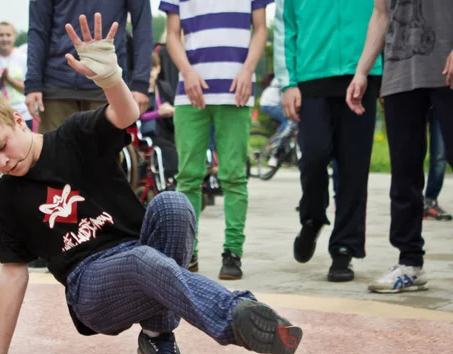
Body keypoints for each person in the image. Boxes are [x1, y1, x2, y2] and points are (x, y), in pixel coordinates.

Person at [0, 14, 303, 354]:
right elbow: (13, 272)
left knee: (174, 205)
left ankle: (158, 338)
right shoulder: (5, 195)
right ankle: (235, 316)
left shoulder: (73, 135)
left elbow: (126, 114)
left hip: (138, 250)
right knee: (142, 260)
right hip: (91, 288)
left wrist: (111, 79)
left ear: (18, 120)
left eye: (0, 147)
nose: (1, 162)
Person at [347, 0, 453, 293]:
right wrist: (361, 72)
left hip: (447, 69)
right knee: (405, 173)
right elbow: (381, 14)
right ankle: (410, 264)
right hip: (400, 74)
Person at [161, 0, 271, 279]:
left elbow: (260, 28)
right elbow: (172, 34)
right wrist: (186, 72)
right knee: (188, 177)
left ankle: (232, 252)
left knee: (234, 176)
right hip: (190, 92)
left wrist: (248, 69)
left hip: (236, 90)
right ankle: (188, 251)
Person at [273, 0, 381, 283]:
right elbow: (286, 26)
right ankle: (312, 218)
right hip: (312, 76)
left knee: (353, 168)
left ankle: (344, 248)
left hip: (363, 72)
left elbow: (387, 15)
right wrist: (287, 82)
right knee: (314, 156)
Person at [25, 0, 153, 132]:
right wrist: (32, 83)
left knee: (107, 151)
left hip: (108, 83)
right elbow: (38, 29)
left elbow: (143, 27)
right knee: (53, 151)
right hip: (56, 84)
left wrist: (140, 83)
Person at [139, 52, 178, 179]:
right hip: (146, 134)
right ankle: (174, 176)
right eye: (148, 69)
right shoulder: (139, 91)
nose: (150, 73)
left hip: (166, 129)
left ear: (158, 68)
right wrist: (158, 113)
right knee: (168, 148)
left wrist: (172, 110)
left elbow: (173, 107)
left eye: (153, 68)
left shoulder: (164, 87)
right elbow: (136, 117)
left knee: (183, 143)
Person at [0, 22, 33, 132]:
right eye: (1, 35)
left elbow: (28, 88)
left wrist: (9, 80)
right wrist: (0, 80)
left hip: (23, 113)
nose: (5, 39)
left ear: (14, 36)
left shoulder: (22, 58)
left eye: (8, 35)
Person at [424, 108, 451, 221]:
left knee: (440, 154)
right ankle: (411, 202)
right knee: (409, 152)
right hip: (412, 94)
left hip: (442, 97)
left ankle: (430, 201)